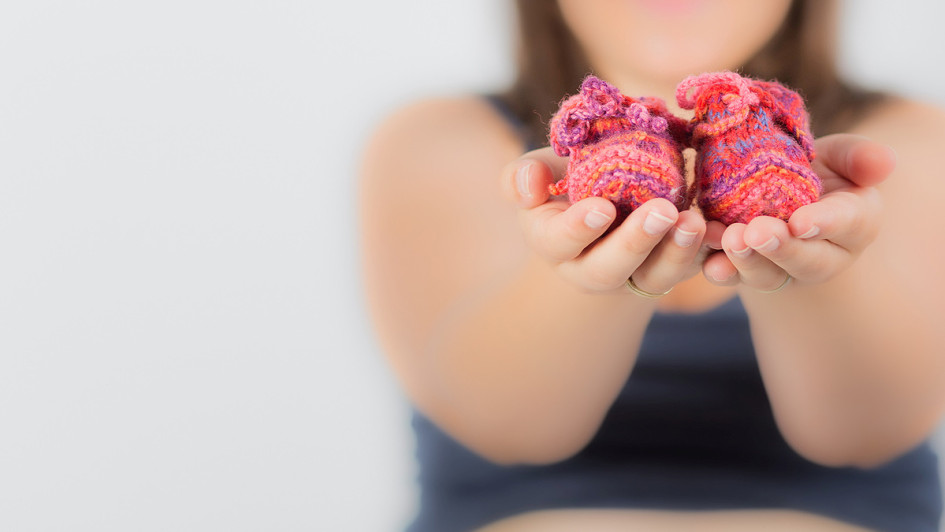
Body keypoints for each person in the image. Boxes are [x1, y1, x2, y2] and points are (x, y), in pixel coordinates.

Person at [358, 1, 945, 531]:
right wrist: (584, 269)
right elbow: (507, 430)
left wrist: (806, 253)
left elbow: (868, 436)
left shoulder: (909, 148)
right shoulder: (440, 142)